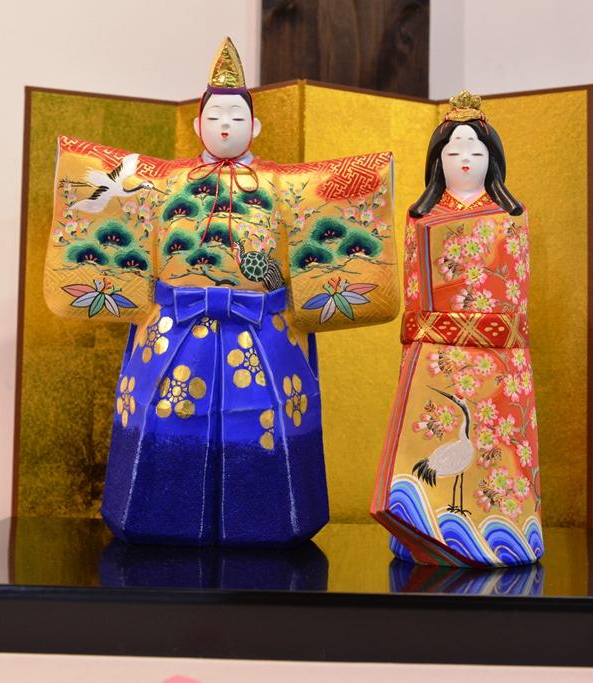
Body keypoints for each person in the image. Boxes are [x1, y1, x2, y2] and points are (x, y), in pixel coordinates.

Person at [44, 38, 398, 546]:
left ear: (256, 126)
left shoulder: (281, 184)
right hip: (174, 325)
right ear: (197, 125)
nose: (225, 125)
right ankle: (159, 521)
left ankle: (269, 525)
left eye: (236, 116)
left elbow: (338, 201)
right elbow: (103, 189)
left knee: (264, 418)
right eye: (214, 116)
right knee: (166, 413)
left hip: (263, 328)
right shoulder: (163, 182)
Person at [371, 91, 544, 567]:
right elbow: (414, 289)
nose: (464, 159)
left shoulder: (510, 216)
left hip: (498, 357)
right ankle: (421, 529)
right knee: (433, 436)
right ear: (437, 160)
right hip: (435, 354)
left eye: (475, 150)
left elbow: (517, 290)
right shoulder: (421, 216)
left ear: (492, 160)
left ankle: (509, 535)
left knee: (497, 448)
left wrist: (499, 334)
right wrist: (420, 334)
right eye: (453, 151)